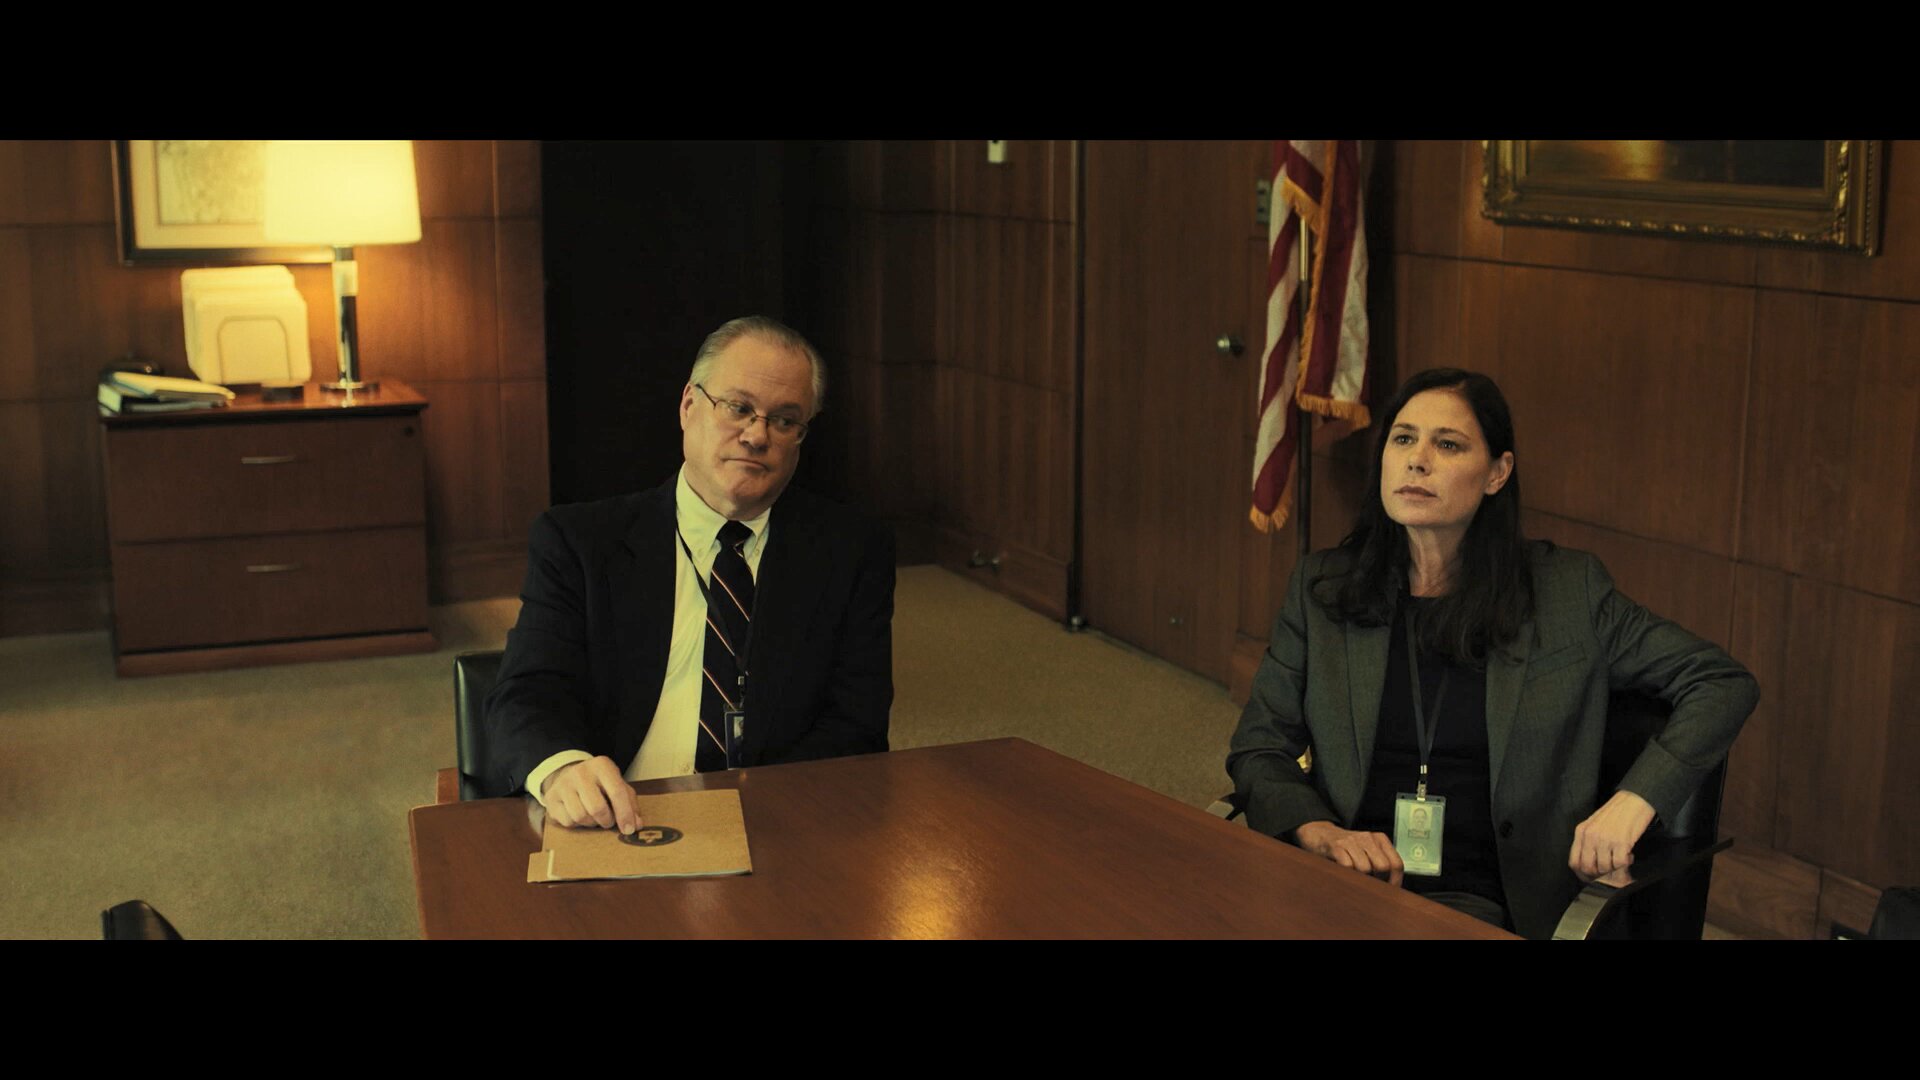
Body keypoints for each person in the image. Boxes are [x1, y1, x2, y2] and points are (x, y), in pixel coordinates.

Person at [1226, 368, 1757, 939]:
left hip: (1479, 903)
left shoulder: (1567, 594)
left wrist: (1636, 798)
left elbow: (1721, 682)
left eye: (1447, 445)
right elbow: (1260, 746)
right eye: (1403, 438)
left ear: (1497, 473)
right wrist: (1319, 832)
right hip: (1339, 883)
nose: (1417, 460)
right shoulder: (1324, 591)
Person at [484, 316, 894, 832]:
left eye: (784, 420)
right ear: (688, 405)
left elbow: (857, 724)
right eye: (738, 407)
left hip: (774, 822)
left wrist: (758, 814)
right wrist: (564, 768)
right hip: (618, 820)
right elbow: (528, 691)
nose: (756, 435)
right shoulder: (580, 542)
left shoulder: (851, 550)